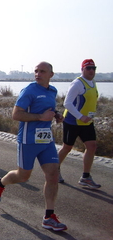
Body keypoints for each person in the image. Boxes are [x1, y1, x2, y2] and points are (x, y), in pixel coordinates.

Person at [0, 62, 67, 232]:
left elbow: (48, 110)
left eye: (42, 71)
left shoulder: (52, 91)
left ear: (51, 75)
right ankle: (1, 183)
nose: (38, 74)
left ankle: (49, 216)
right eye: (36, 71)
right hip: (28, 140)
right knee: (23, 176)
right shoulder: (29, 90)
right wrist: (41, 116)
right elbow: (16, 114)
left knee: (53, 174)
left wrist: (56, 115)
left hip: (46, 140)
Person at [58, 59, 101, 189]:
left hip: (87, 122)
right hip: (73, 121)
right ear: (82, 69)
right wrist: (80, 116)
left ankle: (86, 177)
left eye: (93, 68)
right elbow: (67, 103)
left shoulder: (93, 83)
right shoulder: (77, 83)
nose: (91, 70)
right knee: (67, 147)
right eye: (88, 68)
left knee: (92, 146)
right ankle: (54, 170)